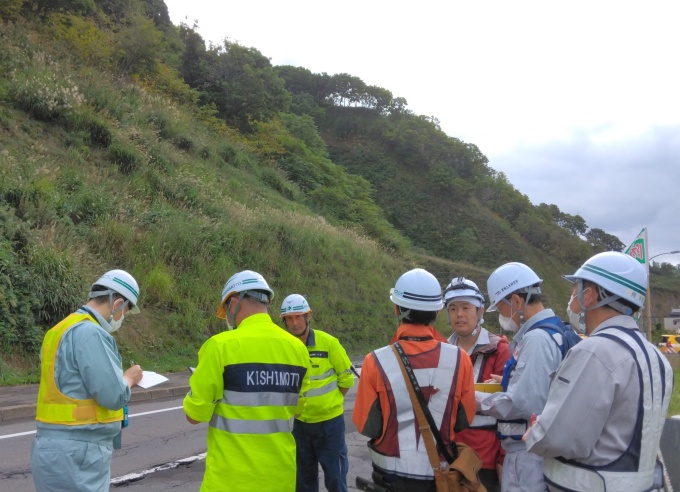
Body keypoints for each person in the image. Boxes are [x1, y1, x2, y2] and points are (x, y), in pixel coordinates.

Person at [524, 252, 673, 491]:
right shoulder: (656, 356)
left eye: (576, 290)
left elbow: (559, 438)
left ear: (590, 295)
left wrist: (534, 432)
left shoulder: (594, 351)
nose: (573, 298)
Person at [183, 270, 311, 492]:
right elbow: (297, 411)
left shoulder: (220, 346)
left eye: (227, 310)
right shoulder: (298, 349)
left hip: (230, 481)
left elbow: (194, 416)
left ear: (234, 302)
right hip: (281, 477)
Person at [352, 268, 476, 492]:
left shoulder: (375, 361)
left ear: (397, 309)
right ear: (437, 312)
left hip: (389, 479)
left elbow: (366, 425)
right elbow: (464, 419)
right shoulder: (460, 359)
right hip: (440, 478)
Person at [31, 269, 144, 492]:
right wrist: (129, 379)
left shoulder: (57, 330)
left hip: (48, 447)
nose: (122, 319)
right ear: (117, 303)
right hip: (78, 452)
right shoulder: (90, 333)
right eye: (125, 312)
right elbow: (113, 395)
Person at [474, 262, 562, 492]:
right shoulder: (554, 331)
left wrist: (469, 396)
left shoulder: (537, 340)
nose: (502, 315)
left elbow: (520, 403)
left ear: (516, 302)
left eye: (501, 307)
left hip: (528, 456)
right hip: (538, 452)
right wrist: (505, 383)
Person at [280, 294, 355, 492]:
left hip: (330, 425)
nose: (294, 323)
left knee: (335, 479)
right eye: (289, 318)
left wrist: (329, 404)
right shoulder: (284, 347)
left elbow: (346, 378)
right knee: (303, 481)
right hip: (300, 425)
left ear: (308, 316)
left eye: (298, 317)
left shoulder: (328, 342)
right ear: (284, 321)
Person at [443, 276, 510, 492]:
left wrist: (503, 456)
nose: (459, 314)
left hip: (485, 458)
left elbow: (510, 408)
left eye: (465, 307)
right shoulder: (441, 349)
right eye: (453, 308)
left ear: (480, 311)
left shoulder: (499, 348)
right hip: (448, 453)